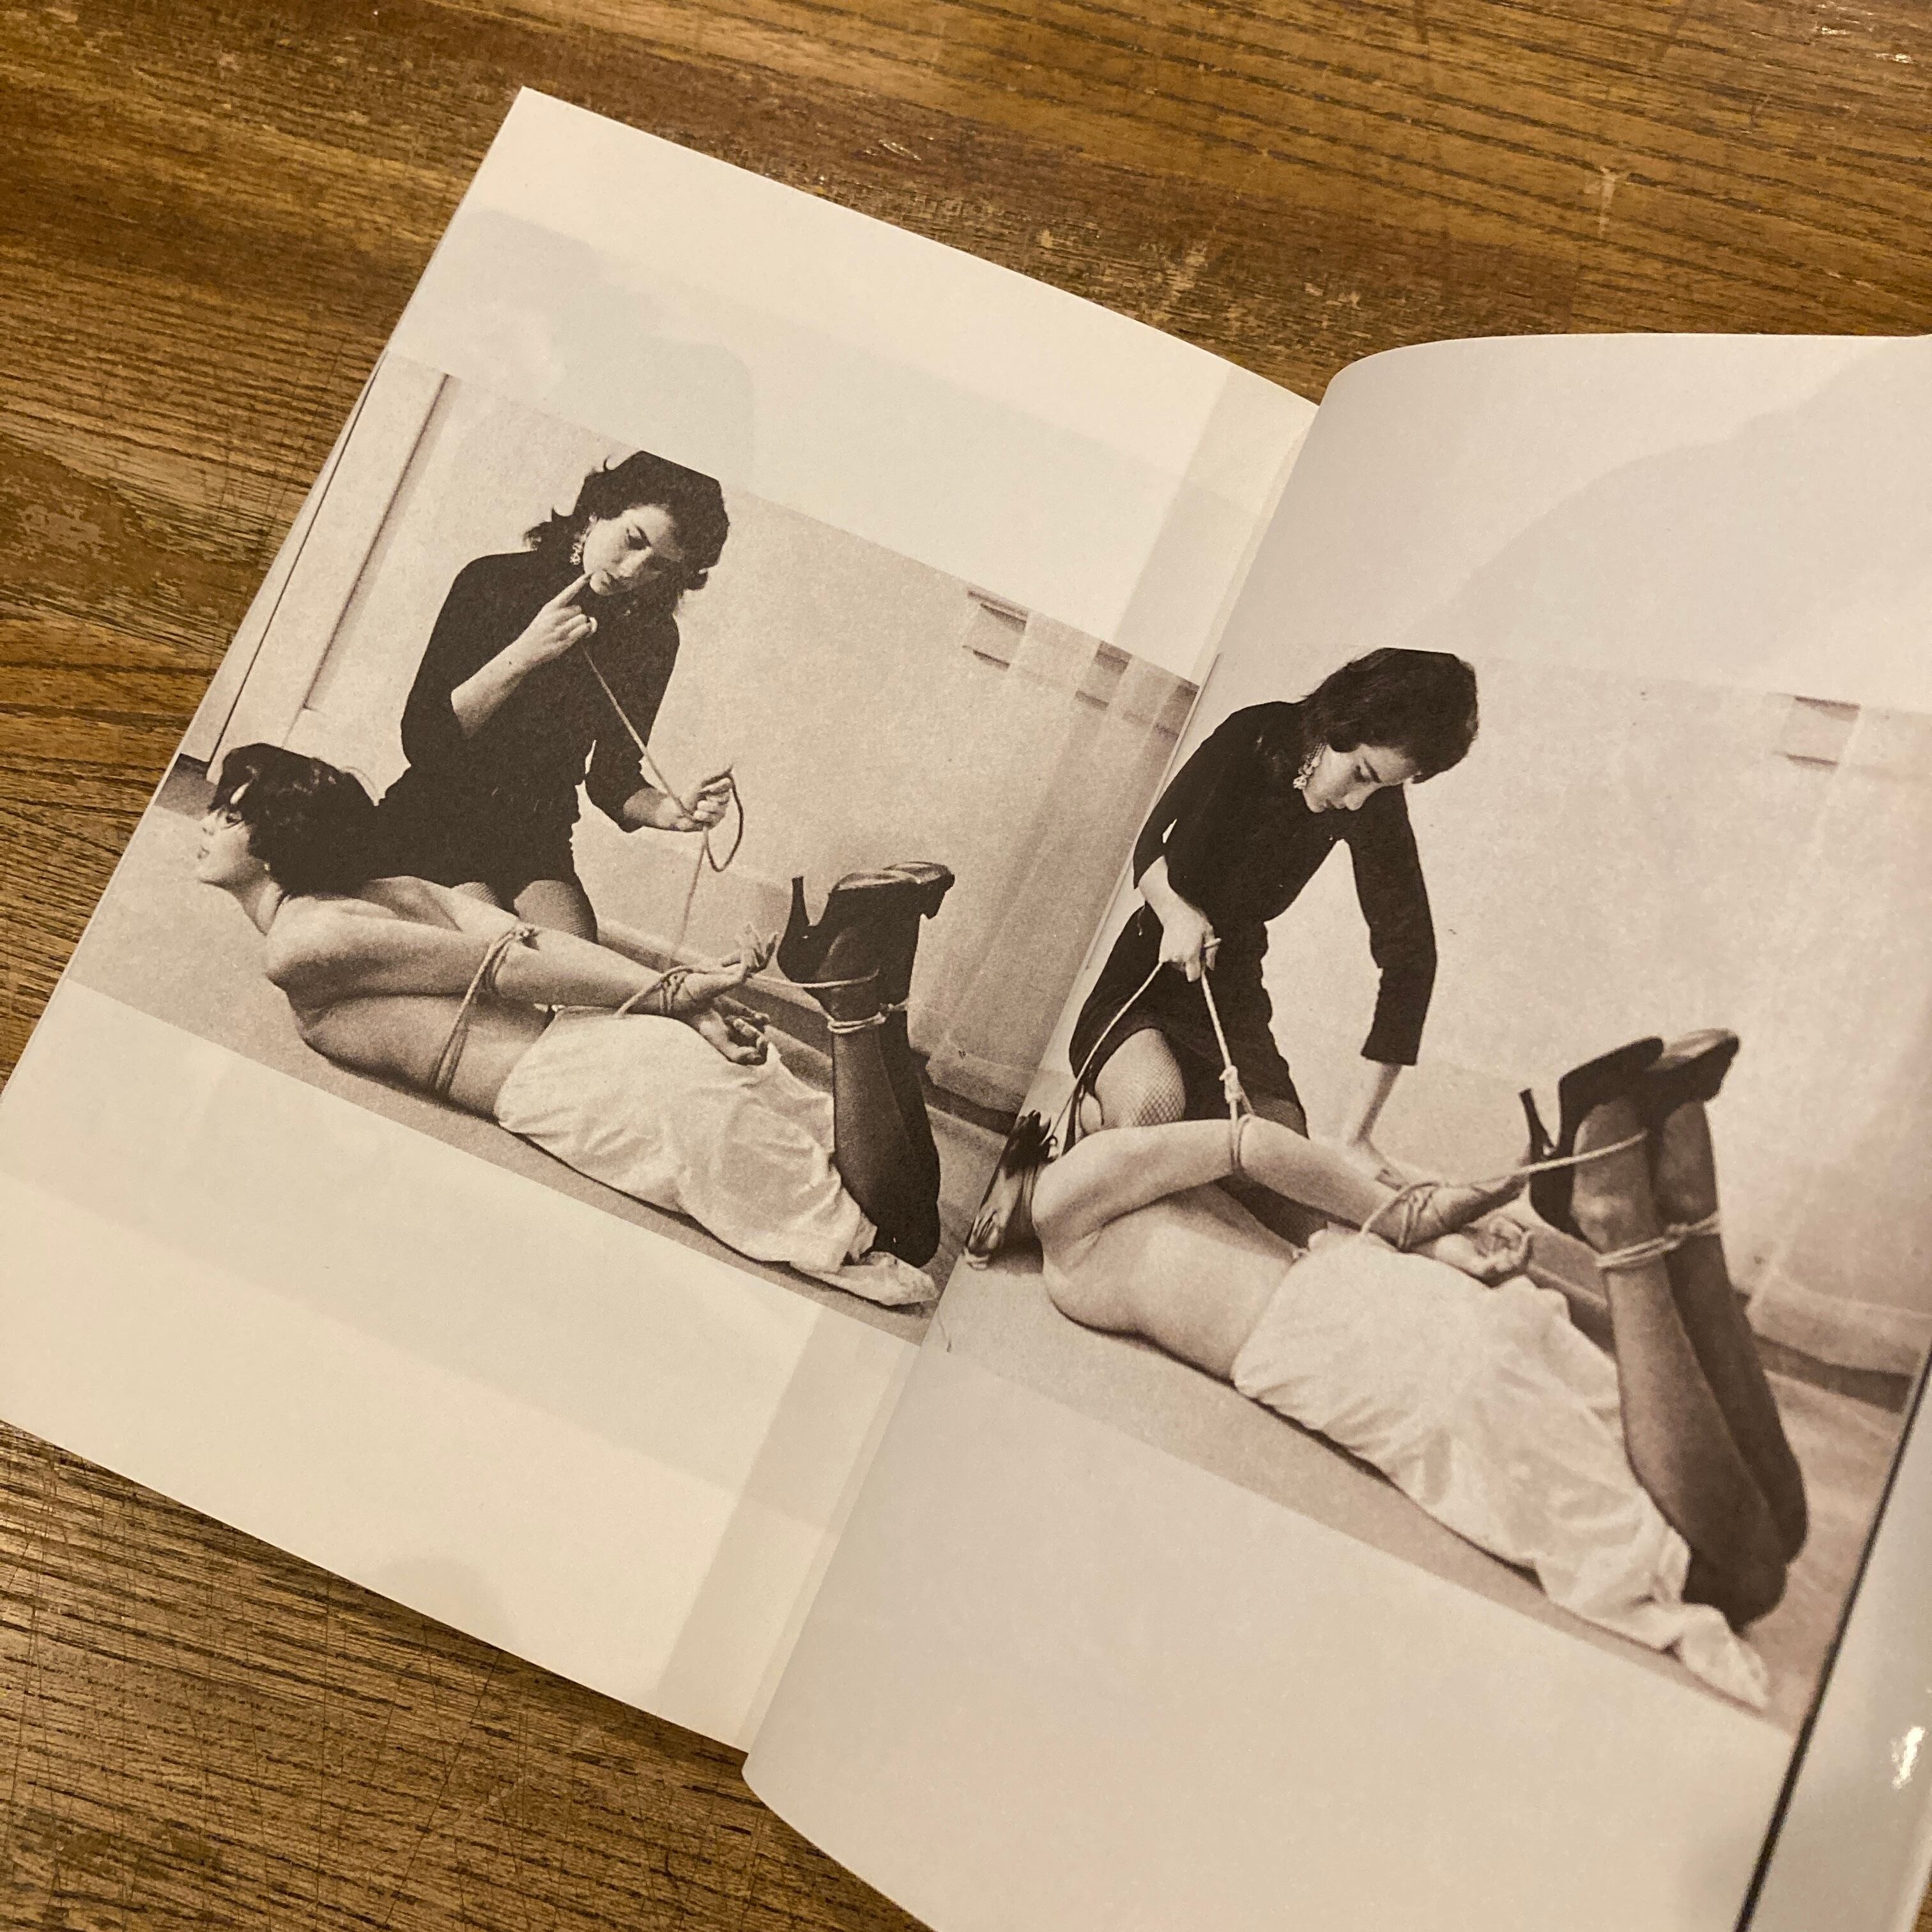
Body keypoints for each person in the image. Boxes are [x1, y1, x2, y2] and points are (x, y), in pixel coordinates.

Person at [969, 1033, 1807, 1706]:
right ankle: (1682, 1196)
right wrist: (1441, 1225)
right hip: (1366, 1304)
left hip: (1352, 1351)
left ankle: (1618, 1216)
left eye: (980, 1206)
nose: (976, 1240)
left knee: (1732, 1578)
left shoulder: (1064, 1198)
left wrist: (1417, 1219)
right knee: (1777, 1525)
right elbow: (1274, 1189)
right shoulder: (1086, 1230)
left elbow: (1249, 1142)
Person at [200, 745, 951, 1307]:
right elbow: (532, 945)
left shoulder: (301, 941)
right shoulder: (397, 890)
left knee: (901, 1234)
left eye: (229, 816)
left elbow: (509, 965)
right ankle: (876, 979)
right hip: (608, 1041)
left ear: (273, 842)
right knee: (876, 1172)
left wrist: (678, 993)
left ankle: (854, 996)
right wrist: (673, 1000)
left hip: (588, 1089)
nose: (207, 826)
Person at [1067, 649, 1478, 1189]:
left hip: (1232, 995)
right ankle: (1090, 1118)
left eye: (1383, 787)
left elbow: (1411, 957)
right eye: (1361, 774)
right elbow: (1149, 843)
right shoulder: (1254, 734)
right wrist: (1176, 912)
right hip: (1146, 976)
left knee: (1278, 1163)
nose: (1361, 802)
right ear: (1345, 722)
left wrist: (1356, 1136)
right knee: (1152, 1106)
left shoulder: (1373, 802)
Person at [374, 451, 737, 942]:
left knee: (576, 964)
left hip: (535, 836)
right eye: (633, 541)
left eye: (658, 567)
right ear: (603, 507)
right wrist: (524, 654)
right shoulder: (492, 581)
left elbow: (612, 781)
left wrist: (670, 812)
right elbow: (423, 740)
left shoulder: (652, 638)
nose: (633, 570)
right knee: (498, 947)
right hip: (437, 818)